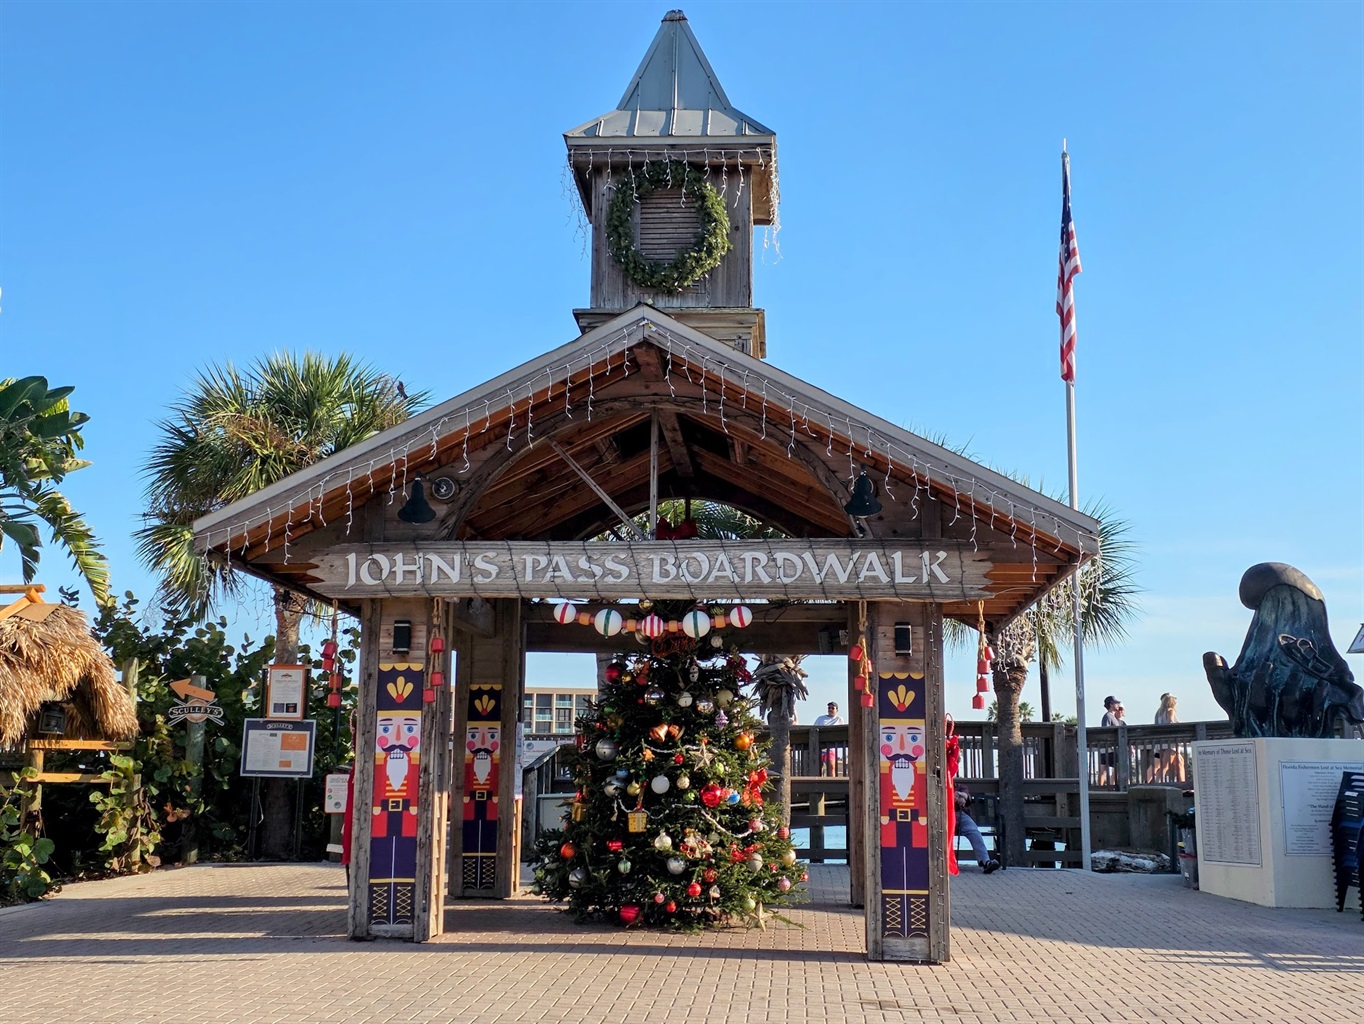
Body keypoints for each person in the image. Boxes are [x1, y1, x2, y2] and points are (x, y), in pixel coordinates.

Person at [946, 714, 1000, 874]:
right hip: (944, 815)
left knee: (973, 831)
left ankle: (985, 861)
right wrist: (957, 796)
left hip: (959, 814)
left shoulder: (959, 784)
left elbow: (966, 797)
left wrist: (959, 796)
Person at [1151, 693, 1185, 783]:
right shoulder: (1170, 711)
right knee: (1165, 765)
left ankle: (1182, 783)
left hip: (1160, 744)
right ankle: (1157, 784)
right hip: (1171, 743)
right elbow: (1171, 723)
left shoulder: (1159, 713)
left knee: (1180, 762)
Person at [1098, 696, 1125, 785]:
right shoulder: (1108, 716)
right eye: (1116, 703)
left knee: (1104, 769)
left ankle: (1105, 786)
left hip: (1108, 747)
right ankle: (1109, 786)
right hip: (1109, 747)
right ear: (1111, 704)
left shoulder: (1112, 717)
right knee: (1117, 766)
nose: (1118, 705)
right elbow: (1105, 731)